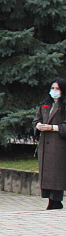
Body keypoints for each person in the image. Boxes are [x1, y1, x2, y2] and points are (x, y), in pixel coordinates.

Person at [33, 77, 66, 210]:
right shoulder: (45, 105)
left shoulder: (63, 106)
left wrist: (52, 128)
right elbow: (36, 120)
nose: (54, 91)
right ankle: (50, 199)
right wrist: (38, 126)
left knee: (56, 173)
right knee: (46, 173)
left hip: (59, 145)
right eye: (52, 88)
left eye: (57, 88)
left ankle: (56, 200)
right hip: (45, 145)